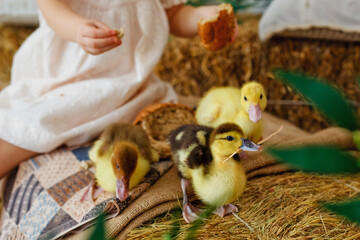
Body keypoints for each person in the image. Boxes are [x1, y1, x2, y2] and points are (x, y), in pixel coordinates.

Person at [0, 0, 236, 178]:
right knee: (37, 122)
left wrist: (199, 17)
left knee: (156, 117)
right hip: (68, 73)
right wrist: (78, 29)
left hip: (130, 81)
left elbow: (172, 13)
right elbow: (52, 7)